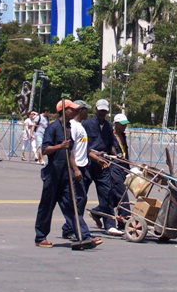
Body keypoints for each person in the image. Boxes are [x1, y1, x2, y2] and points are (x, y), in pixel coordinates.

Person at [34, 99, 81, 248]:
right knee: (47, 205)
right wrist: (60, 146)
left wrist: (75, 169)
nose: (74, 112)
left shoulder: (68, 128)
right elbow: (45, 150)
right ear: (64, 111)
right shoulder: (53, 127)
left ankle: (82, 235)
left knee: (71, 204)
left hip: (66, 173)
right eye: (71, 109)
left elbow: (70, 152)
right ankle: (40, 237)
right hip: (53, 173)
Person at [61, 100, 105, 246]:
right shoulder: (72, 126)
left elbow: (84, 149)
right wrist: (75, 169)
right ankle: (80, 232)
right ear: (81, 111)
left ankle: (69, 228)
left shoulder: (80, 126)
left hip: (83, 167)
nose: (89, 113)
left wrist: (97, 159)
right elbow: (69, 150)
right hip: (76, 168)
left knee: (81, 200)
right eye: (87, 110)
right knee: (76, 201)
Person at [83, 99, 123, 236]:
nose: (102, 113)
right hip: (88, 163)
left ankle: (110, 224)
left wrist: (115, 154)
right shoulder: (86, 124)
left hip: (103, 163)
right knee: (81, 195)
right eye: (100, 111)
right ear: (95, 110)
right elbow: (82, 145)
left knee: (107, 193)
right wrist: (94, 155)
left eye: (104, 111)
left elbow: (111, 143)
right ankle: (72, 225)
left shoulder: (108, 126)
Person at [111, 113, 132, 228]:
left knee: (113, 196)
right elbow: (111, 148)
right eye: (122, 125)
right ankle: (124, 219)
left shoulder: (123, 136)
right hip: (114, 167)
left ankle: (99, 211)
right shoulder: (111, 135)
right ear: (116, 124)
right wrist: (115, 155)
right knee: (122, 194)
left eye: (125, 125)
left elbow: (125, 151)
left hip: (123, 167)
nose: (125, 127)